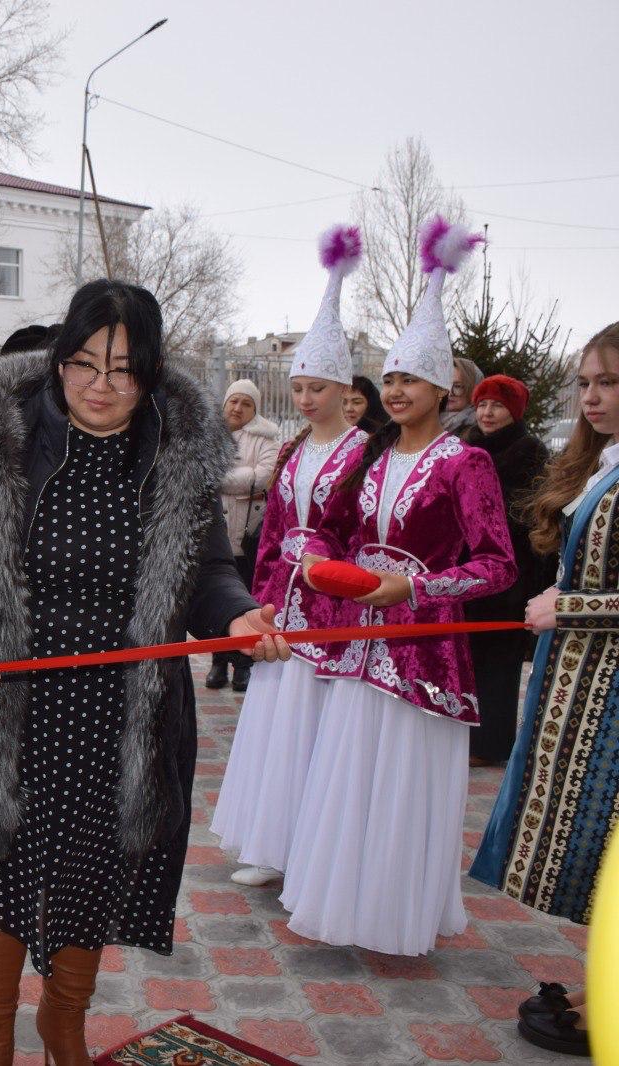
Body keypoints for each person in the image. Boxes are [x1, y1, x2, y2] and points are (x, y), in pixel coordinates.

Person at [0, 280, 287, 1064]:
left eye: (123, 369)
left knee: (89, 879)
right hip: (2, 717)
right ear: (56, 362)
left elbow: (207, 570)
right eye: (82, 363)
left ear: (149, 372)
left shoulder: (174, 460)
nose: (100, 386)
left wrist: (237, 613)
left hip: (120, 723)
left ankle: (64, 1021)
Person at [290, 217, 514, 955]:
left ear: (445, 389)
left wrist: (412, 592)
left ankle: (394, 918)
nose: (394, 390)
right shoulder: (373, 460)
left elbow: (497, 567)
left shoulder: (464, 464)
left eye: (408, 379)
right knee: (348, 779)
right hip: (357, 646)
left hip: (424, 652)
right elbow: (334, 530)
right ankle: (343, 907)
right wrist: (317, 561)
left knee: (402, 792)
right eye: (387, 377)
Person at [471, 324, 619, 1058]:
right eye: (586, 382)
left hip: (610, 691)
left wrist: (571, 605)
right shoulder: (605, 463)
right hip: (584, 683)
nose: (592, 397)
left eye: (610, 383)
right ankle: (604, 985)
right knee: (592, 849)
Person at [213, 224, 367, 889]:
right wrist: (264, 598)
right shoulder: (294, 451)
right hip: (290, 604)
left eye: (318, 387)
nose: (306, 398)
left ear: (342, 388)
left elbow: (366, 531)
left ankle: (315, 850)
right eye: (299, 387)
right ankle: (270, 844)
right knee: (279, 720)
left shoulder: (365, 452)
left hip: (339, 605)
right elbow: (274, 529)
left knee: (326, 729)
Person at [461, 374, 551, 766]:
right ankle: (463, 732)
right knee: (468, 656)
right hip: (466, 568)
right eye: (482, 404)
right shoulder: (467, 446)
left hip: (509, 572)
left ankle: (490, 744)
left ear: (513, 411)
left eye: (496, 405)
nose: (487, 412)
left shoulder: (529, 452)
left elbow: (527, 517)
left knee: (497, 661)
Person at [211, 379, 281, 692]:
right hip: (215, 533)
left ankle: (242, 667)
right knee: (215, 598)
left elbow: (264, 476)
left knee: (243, 600)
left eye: (246, 404)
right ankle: (217, 664)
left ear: (255, 409)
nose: (238, 408)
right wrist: (244, 481)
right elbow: (202, 474)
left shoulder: (266, 438)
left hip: (247, 532)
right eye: (233, 401)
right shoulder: (210, 433)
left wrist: (221, 479)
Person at [444, 355, 485, 434]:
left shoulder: (479, 430)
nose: (449, 393)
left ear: (474, 389)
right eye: (446, 385)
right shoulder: (429, 419)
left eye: (457, 386)